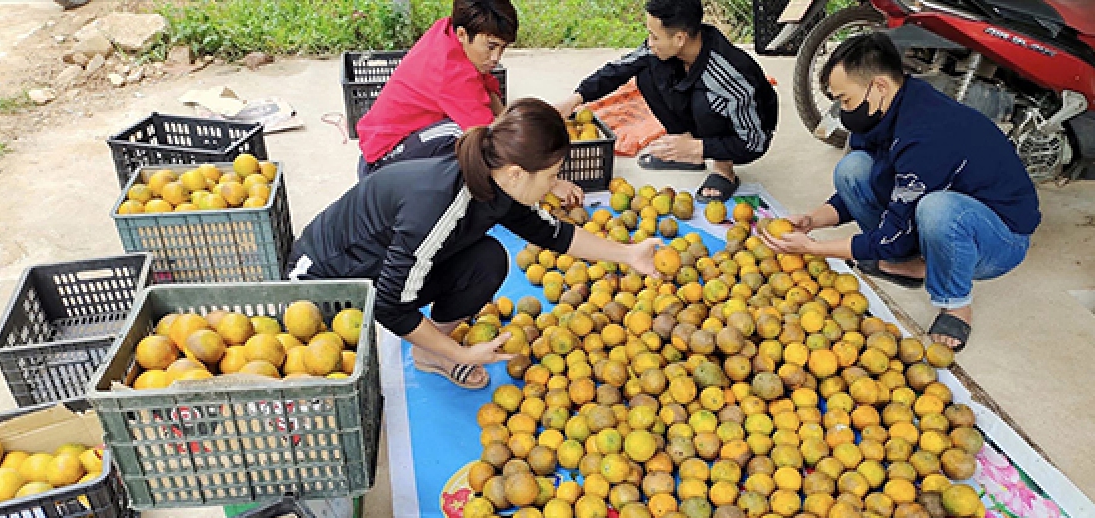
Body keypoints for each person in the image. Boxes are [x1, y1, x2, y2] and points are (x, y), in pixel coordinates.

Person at [290, 99, 660, 389]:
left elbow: (554, 234)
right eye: (551, 175)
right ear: (517, 173)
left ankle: (428, 351)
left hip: (382, 262)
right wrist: (460, 352)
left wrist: (629, 254)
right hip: (328, 280)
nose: (554, 185)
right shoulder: (439, 205)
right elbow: (389, 306)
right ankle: (438, 353)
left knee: (488, 258)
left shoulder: (496, 180)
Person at [760, 33, 1040, 351]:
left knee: (938, 210)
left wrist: (812, 249)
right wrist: (814, 220)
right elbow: (875, 188)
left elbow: (899, 223)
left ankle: (956, 303)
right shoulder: (887, 109)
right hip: (936, 210)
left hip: (999, 238)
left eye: (845, 99)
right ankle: (908, 261)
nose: (842, 109)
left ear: (879, 86)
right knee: (853, 169)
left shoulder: (924, 135)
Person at [356, 0, 582, 205]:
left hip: (401, 141)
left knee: (487, 133)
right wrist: (549, 182)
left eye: (502, 48)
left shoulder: (449, 32)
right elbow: (493, 140)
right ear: (463, 34)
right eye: (491, 47)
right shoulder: (452, 74)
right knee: (471, 140)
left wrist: (513, 121)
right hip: (383, 163)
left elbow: (488, 95)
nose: (496, 58)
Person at [553, 0, 778, 203]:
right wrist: (575, 99)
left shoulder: (728, 75)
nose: (650, 42)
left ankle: (723, 170)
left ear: (680, 38)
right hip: (704, 113)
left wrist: (700, 147)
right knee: (646, 73)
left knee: (705, 102)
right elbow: (621, 68)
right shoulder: (666, 49)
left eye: (654, 36)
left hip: (750, 130)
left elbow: (754, 141)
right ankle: (684, 149)